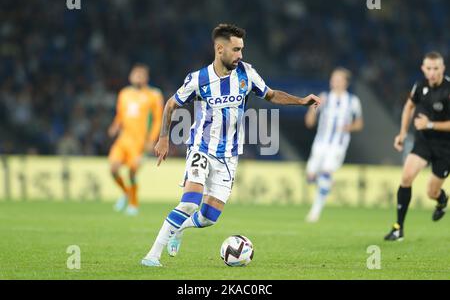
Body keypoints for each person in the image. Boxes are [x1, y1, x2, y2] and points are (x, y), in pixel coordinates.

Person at [141, 23, 321, 267]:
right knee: (189, 202)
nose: (240, 55)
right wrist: (163, 138)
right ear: (219, 49)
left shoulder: (247, 73)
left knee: (207, 218)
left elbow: (270, 94)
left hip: (229, 155)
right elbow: (172, 104)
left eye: (242, 49)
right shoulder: (199, 79)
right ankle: (152, 255)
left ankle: (179, 229)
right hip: (201, 147)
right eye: (236, 50)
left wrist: (301, 101)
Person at [384, 51, 450, 241]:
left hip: (446, 147)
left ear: (443, 68)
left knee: (431, 192)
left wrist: (430, 124)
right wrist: (403, 133)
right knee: (406, 177)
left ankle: (441, 200)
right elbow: (409, 107)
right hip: (424, 142)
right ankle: (398, 228)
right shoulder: (420, 86)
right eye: (428, 68)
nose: (432, 72)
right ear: (423, 69)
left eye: (436, 68)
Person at [304, 68, 363, 222]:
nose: (334, 82)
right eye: (333, 78)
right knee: (310, 176)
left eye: (338, 79)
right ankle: (326, 183)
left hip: (338, 145)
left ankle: (315, 212)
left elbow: (359, 124)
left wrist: (348, 127)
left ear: (346, 82)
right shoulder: (324, 97)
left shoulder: (353, 101)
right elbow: (309, 122)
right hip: (320, 143)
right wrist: (311, 110)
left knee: (325, 173)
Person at [108, 64, 164, 216]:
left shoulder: (154, 95)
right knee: (113, 169)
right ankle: (126, 193)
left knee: (132, 173)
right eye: (135, 74)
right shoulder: (124, 93)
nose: (137, 77)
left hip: (139, 143)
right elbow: (120, 115)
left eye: (141, 74)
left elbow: (158, 120)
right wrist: (115, 125)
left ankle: (133, 204)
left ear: (147, 78)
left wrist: (152, 139)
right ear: (130, 76)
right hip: (123, 140)